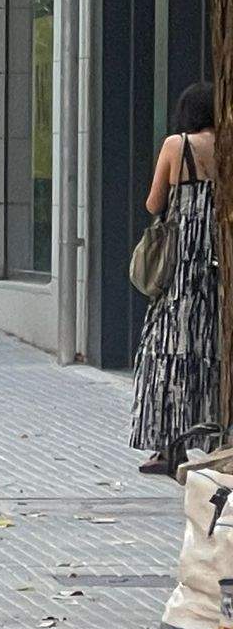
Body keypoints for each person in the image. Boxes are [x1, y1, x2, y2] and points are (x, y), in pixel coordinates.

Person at [131, 81, 220, 476]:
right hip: (219, 264)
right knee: (211, 351)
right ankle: (216, 439)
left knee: (167, 352)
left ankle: (169, 447)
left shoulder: (176, 145)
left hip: (181, 268)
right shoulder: (228, 146)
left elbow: (154, 203)